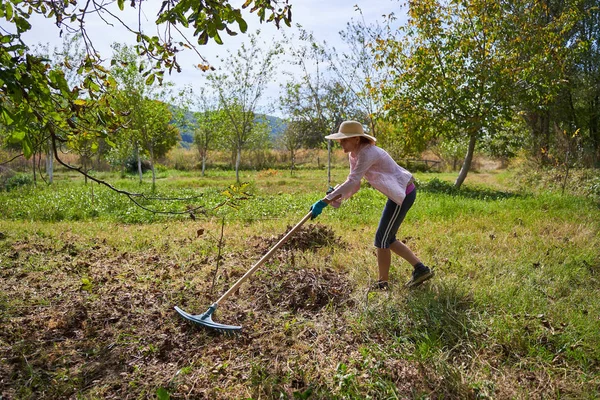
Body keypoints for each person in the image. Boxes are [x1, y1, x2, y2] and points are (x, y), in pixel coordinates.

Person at [310, 120, 433, 289]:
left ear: (357, 139)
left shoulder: (368, 153)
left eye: (344, 139)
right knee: (387, 238)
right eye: (340, 140)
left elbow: (353, 180)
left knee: (382, 239)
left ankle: (383, 284)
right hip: (397, 193)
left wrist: (325, 201)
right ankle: (420, 269)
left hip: (403, 192)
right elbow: (355, 183)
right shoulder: (354, 154)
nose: (341, 143)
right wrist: (335, 196)